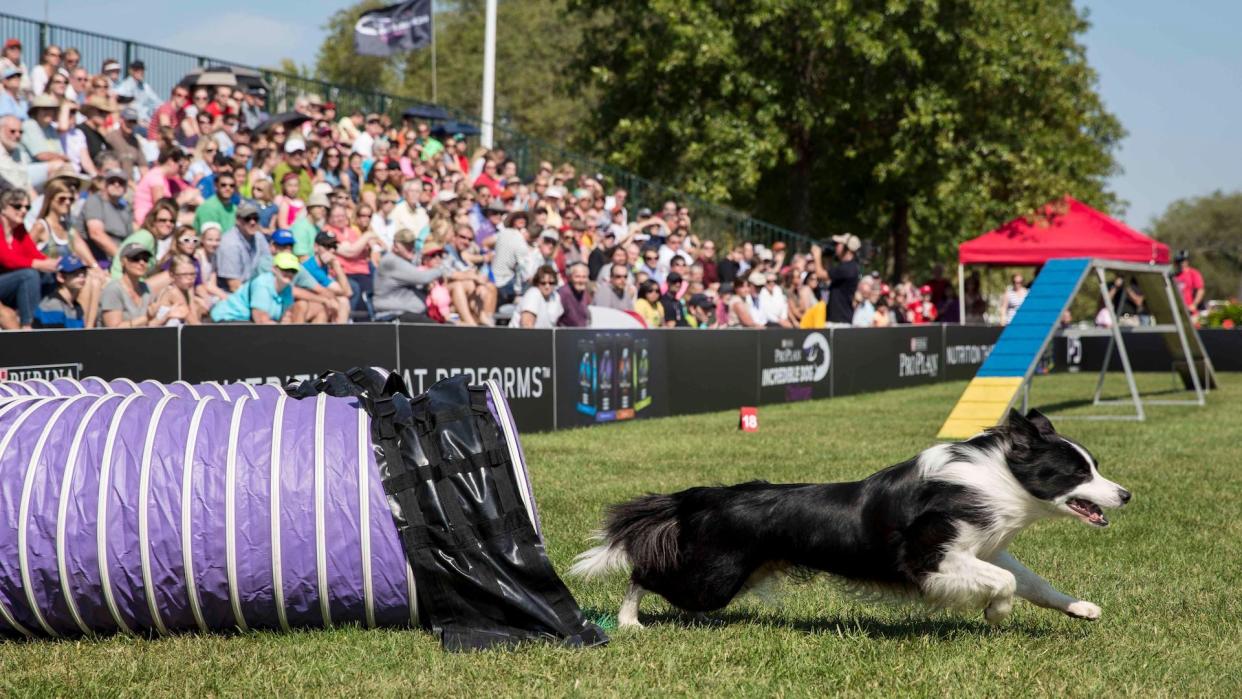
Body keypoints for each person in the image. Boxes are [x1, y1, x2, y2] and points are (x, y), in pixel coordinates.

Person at [0, 188, 58, 328]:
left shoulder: (19, 229)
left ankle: (47, 317)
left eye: (27, 207)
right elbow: (6, 259)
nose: (24, 210)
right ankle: (29, 324)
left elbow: (32, 252)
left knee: (49, 275)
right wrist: (37, 263)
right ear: (3, 207)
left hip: (10, 281)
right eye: (17, 206)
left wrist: (55, 264)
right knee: (29, 274)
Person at [373, 229, 447, 322]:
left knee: (450, 326)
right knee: (441, 332)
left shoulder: (405, 261)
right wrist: (442, 269)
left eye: (412, 244)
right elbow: (422, 278)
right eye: (406, 245)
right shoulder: (391, 261)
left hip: (411, 314)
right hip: (394, 316)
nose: (411, 247)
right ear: (396, 246)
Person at [101, 243, 182, 327]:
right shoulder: (113, 289)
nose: (142, 262)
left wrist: (167, 316)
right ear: (123, 261)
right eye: (136, 258)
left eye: (145, 259)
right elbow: (113, 329)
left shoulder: (146, 289)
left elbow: (148, 326)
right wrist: (146, 317)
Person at [210, 252, 301, 324]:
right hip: (228, 319)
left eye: (293, 270)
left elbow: (287, 318)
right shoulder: (262, 284)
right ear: (274, 269)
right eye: (285, 269)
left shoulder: (288, 289)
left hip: (247, 323)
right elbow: (261, 320)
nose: (289, 273)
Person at [444, 222, 497, 325]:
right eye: (463, 237)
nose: (466, 241)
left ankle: (486, 320)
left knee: (489, 287)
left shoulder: (460, 255)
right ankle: (472, 323)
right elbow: (446, 274)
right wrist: (472, 276)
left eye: (469, 239)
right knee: (468, 284)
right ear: (454, 236)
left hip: (464, 292)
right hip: (444, 291)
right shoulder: (447, 251)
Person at [301, 230, 353, 323]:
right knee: (341, 302)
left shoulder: (324, 266)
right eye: (327, 246)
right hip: (303, 305)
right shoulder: (311, 267)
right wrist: (336, 265)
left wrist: (336, 265)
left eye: (334, 246)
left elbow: (347, 292)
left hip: (314, 302)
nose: (332, 250)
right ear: (316, 247)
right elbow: (347, 292)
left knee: (342, 301)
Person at [215, 201, 268, 291]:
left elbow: (268, 267)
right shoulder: (230, 244)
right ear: (238, 221)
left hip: (255, 288)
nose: (252, 222)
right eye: (247, 218)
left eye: (255, 218)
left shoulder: (259, 237)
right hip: (231, 295)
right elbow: (234, 286)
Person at [33, 254, 89, 328]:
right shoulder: (53, 304)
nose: (82, 276)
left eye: (83, 272)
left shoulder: (76, 306)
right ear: (61, 277)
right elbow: (56, 338)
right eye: (75, 273)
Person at [816, 233, 860, 326]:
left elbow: (820, 274)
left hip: (839, 322)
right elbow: (829, 278)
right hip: (839, 320)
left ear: (847, 248)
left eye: (838, 244)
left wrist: (817, 255)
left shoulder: (847, 268)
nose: (835, 247)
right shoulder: (851, 266)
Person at [150, 254, 206, 325]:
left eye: (192, 274)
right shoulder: (173, 292)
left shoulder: (185, 290)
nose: (190, 278)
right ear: (172, 275)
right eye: (184, 274)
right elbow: (193, 322)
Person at [1173, 250, 1205, 322]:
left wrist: (1194, 304)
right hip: (1177, 311)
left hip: (1190, 312)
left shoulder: (1193, 273)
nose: (1181, 263)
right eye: (1179, 261)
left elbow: (1200, 290)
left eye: (1183, 261)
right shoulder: (1174, 275)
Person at [557, 261, 592, 327]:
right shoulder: (563, 293)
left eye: (584, 277)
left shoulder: (585, 292)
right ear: (569, 278)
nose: (581, 280)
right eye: (577, 276)